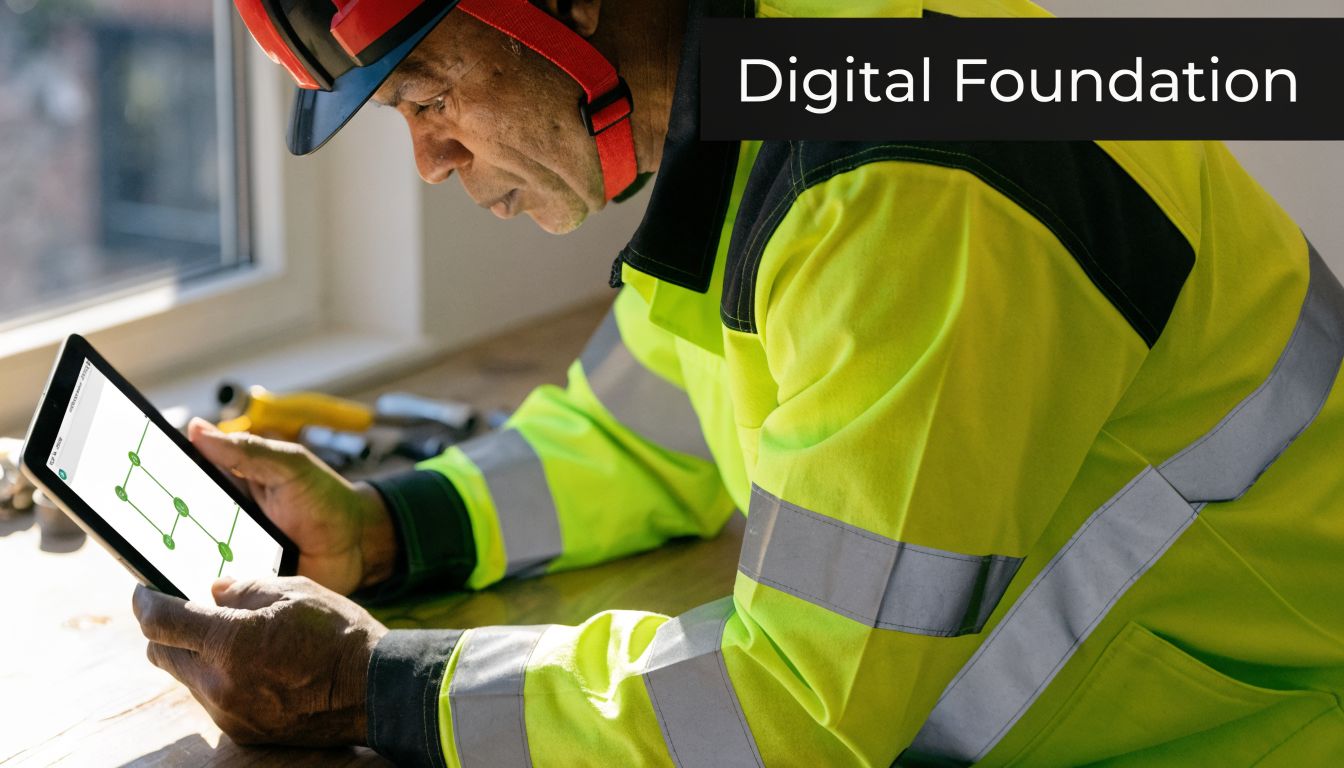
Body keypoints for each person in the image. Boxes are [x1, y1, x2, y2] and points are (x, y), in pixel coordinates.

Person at [133, 0, 1344, 765]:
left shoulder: (903, 184)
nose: (431, 160)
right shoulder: (764, 97)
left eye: (430, 97)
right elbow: (643, 434)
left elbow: (792, 708)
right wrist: (387, 529)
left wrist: (376, 689)